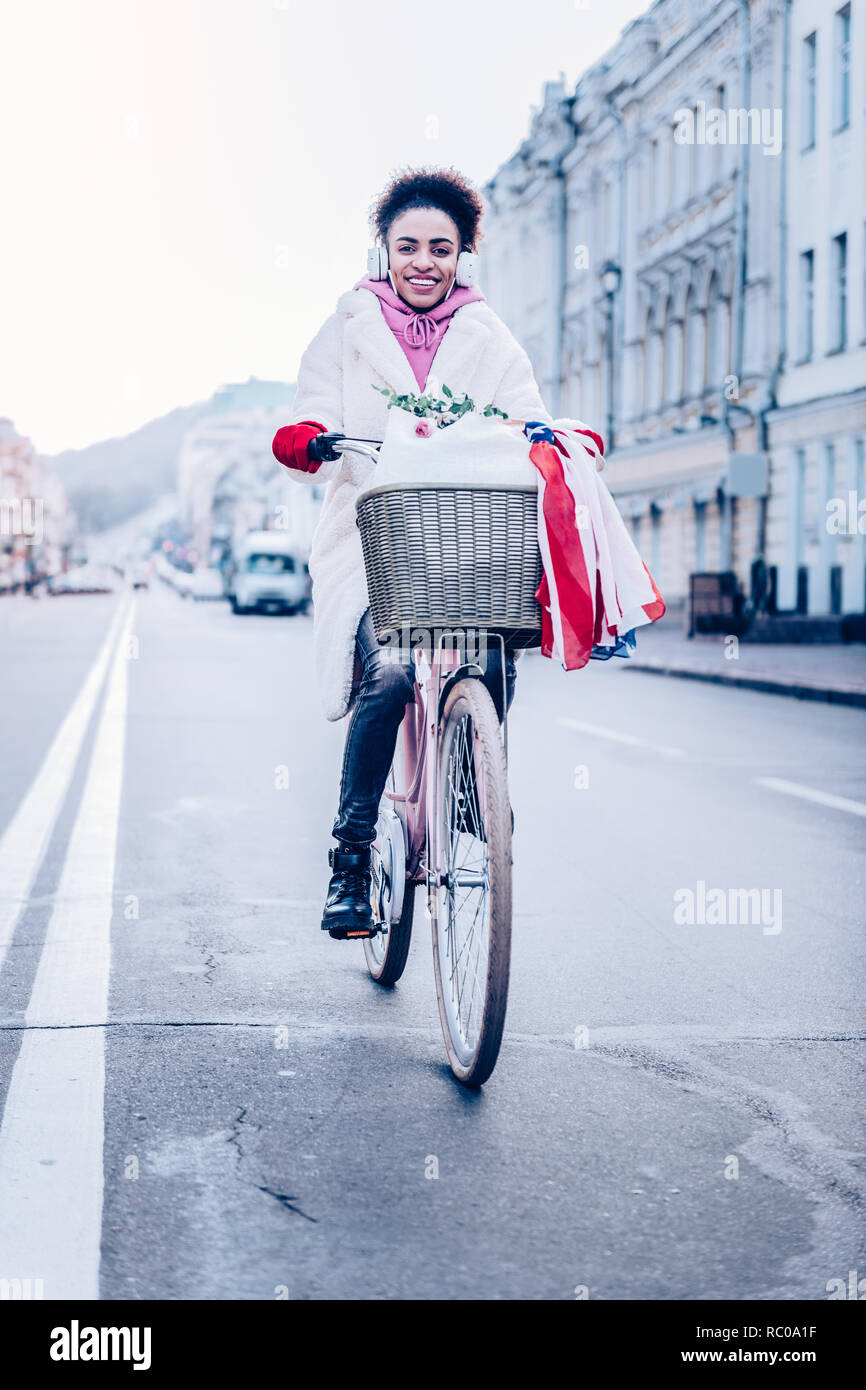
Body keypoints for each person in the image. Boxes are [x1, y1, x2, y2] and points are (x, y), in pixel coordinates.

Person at [273, 166, 553, 940]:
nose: (424, 262)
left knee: (495, 649)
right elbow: (313, 407)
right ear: (385, 250)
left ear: (462, 253)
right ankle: (351, 862)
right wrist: (306, 436)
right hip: (372, 532)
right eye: (408, 247)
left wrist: (554, 438)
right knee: (392, 668)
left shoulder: (487, 332)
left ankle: (473, 777)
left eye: (441, 247)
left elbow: (528, 413)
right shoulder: (350, 325)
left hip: (465, 533)